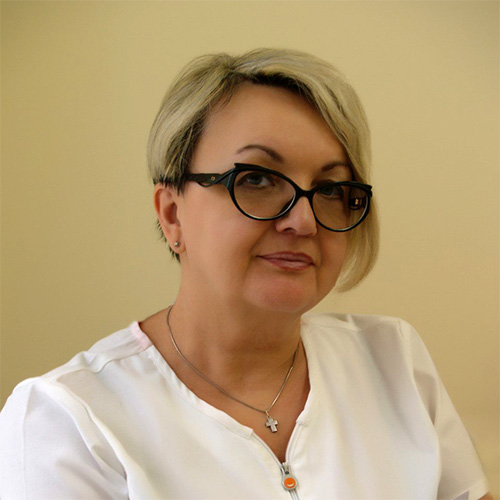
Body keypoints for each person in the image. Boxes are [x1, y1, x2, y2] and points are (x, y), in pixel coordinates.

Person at [0, 48, 491, 500]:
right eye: (256, 179)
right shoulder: (70, 420)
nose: (303, 221)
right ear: (172, 214)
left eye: (330, 189)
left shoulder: (392, 360)